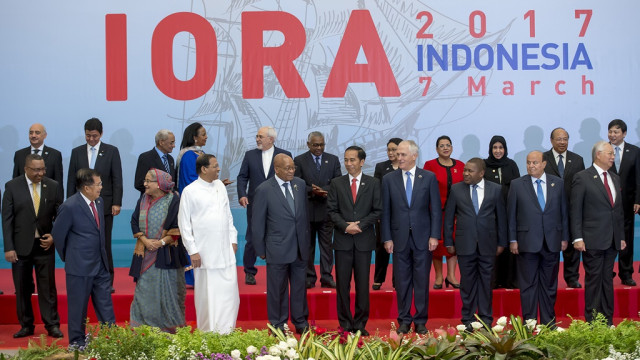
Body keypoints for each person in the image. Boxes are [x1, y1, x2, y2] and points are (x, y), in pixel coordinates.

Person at [381, 140, 441, 335]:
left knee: (422, 280)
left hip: (423, 238)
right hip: (399, 239)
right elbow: (386, 212)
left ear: (414, 156)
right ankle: (404, 320)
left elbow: (436, 211)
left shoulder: (429, 178)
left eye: (403, 155)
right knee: (403, 281)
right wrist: (387, 238)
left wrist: (434, 235)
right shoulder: (389, 179)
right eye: (398, 155)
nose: (399, 158)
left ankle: (421, 320)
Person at [52, 168, 116, 347]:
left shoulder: (100, 202)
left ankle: (111, 339)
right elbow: (58, 235)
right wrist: (70, 257)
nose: (101, 187)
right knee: (78, 308)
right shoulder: (70, 206)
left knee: (106, 306)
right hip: (79, 267)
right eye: (99, 184)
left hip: (101, 265)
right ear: (86, 188)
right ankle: (77, 342)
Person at [3, 154, 64, 338]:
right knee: (22, 288)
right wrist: (9, 247)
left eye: (43, 169)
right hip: (20, 248)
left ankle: (52, 324)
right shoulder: (12, 187)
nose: (41, 173)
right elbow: (7, 220)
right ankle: (26, 325)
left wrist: (54, 236)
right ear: (26, 169)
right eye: (37, 170)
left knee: (47, 288)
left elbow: (60, 216)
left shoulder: (52, 186)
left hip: (44, 246)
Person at [178, 154, 239, 333]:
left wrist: (233, 239)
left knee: (230, 297)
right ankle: (209, 335)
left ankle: (228, 332)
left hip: (226, 253)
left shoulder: (220, 186)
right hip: (204, 255)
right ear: (204, 169)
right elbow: (184, 224)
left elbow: (227, 215)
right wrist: (193, 250)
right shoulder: (190, 191)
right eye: (215, 166)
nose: (219, 169)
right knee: (209, 299)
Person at [444, 158, 506, 328]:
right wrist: (448, 241)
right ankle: (468, 319)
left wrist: (502, 242)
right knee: (467, 283)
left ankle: (486, 318)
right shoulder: (456, 189)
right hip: (465, 244)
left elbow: (502, 218)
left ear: (481, 173)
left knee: (486, 282)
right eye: (465, 170)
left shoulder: (496, 189)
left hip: (488, 244)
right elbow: (449, 218)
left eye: (470, 171)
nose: (465, 173)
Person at [508, 151, 568, 325]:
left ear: (544, 164)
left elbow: (564, 212)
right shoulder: (517, 184)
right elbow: (511, 215)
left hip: (552, 241)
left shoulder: (558, 183)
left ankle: (549, 322)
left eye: (535, 163)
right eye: (528, 163)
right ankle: (530, 322)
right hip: (526, 242)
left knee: (549, 285)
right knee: (528, 285)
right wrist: (513, 240)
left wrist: (564, 237)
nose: (531, 166)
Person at [327, 146, 382, 336]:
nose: (348, 164)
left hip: (364, 240)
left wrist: (360, 225)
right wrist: (345, 226)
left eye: (352, 160)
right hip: (342, 241)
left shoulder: (373, 183)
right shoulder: (336, 183)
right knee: (342, 285)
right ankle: (344, 324)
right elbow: (331, 210)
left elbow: (377, 210)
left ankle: (359, 324)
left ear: (362, 161)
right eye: (346, 160)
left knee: (362, 284)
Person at [252, 154, 310, 334]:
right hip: (277, 248)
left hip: (300, 246)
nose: (292, 171)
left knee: (300, 288)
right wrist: (261, 250)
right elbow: (257, 222)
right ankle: (278, 324)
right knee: (277, 290)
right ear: (276, 169)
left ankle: (300, 321)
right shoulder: (264, 189)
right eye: (287, 168)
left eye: (293, 167)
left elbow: (303, 216)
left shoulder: (300, 184)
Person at [571, 141, 626, 325]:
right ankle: (593, 323)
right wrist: (577, 237)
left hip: (611, 240)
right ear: (598, 155)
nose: (613, 157)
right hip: (592, 240)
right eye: (610, 153)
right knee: (594, 281)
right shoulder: (582, 177)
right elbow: (576, 210)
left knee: (608, 281)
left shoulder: (615, 178)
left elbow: (617, 211)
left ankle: (608, 321)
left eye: (613, 154)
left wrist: (621, 237)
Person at [67, 118, 123, 292]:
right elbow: (71, 180)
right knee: (83, 243)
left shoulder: (111, 151)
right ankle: (85, 280)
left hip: (104, 206)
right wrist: (68, 203)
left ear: (101, 134)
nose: (91, 139)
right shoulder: (76, 152)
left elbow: (117, 179)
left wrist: (116, 202)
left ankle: (107, 282)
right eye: (88, 135)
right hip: (80, 206)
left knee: (104, 244)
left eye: (94, 136)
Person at [129, 169, 187, 333]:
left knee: (168, 295)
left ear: (160, 184)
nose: (145, 184)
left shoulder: (173, 200)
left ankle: (167, 331)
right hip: (145, 253)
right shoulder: (142, 200)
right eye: (145, 180)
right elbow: (134, 221)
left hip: (167, 256)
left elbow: (177, 227)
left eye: (149, 181)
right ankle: (143, 330)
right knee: (143, 293)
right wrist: (146, 241)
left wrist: (160, 242)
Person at [237, 126, 292, 285]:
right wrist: (242, 194)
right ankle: (249, 272)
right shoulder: (250, 155)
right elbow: (242, 177)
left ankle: (281, 269)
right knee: (253, 237)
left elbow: (290, 178)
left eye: (260, 136)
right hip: (255, 204)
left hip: (279, 204)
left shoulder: (285, 155)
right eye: (257, 136)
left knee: (280, 237)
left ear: (271, 139)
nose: (257, 139)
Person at [294, 131, 341, 289]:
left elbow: (338, 182)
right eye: (315, 145)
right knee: (307, 247)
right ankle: (309, 277)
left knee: (327, 247)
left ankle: (327, 277)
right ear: (308, 144)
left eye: (321, 144)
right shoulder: (299, 160)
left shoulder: (333, 160)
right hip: (307, 211)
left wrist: (323, 190)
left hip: (326, 211)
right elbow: (296, 184)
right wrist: (311, 190)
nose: (319, 147)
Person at [543, 128, 585, 289]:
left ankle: (572, 277)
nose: (562, 142)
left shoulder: (577, 160)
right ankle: (550, 278)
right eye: (559, 139)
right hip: (550, 210)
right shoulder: (543, 159)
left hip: (572, 209)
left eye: (565, 139)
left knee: (573, 246)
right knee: (551, 246)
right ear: (552, 140)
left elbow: (582, 185)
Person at [423, 135, 463, 289]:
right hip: (436, 212)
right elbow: (425, 188)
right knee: (438, 245)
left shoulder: (460, 164)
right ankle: (439, 276)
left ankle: (452, 276)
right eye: (442, 145)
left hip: (456, 213)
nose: (445, 148)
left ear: (452, 148)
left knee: (453, 243)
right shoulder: (430, 165)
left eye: (448, 145)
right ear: (436, 149)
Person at [483, 135, 520, 289]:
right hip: (490, 214)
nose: (498, 151)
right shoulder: (484, 165)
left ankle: (509, 280)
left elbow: (518, 187)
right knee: (493, 248)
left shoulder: (511, 164)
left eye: (501, 147)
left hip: (509, 212)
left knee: (509, 247)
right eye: (495, 148)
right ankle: (493, 280)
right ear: (490, 149)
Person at [607, 119, 640, 286]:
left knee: (626, 238)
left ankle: (626, 273)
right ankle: (607, 271)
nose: (612, 135)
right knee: (607, 237)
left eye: (616, 132)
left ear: (624, 134)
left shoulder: (634, 151)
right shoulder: (602, 149)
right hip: (606, 202)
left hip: (627, 202)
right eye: (610, 131)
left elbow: (639, 178)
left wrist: (638, 200)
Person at [372, 138, 402, 290]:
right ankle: (378, 278)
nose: (390, 153)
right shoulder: (381, 167)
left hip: (402, 216)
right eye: (388, 150)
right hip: (384, 214)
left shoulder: (406, 167)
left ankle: (398, 281)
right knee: (382, 247)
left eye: (394, 150)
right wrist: (378, 214)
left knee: (400, 249)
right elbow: (376, 192)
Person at [13, 123, 64, 194]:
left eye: (37, 133)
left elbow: (58, 183)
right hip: (24, 200)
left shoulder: (55, 155)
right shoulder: (19, 154)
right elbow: (15, 181)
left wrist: (59, 204)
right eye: (31, 133)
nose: (33, 135)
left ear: (45, 135)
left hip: (47, 199)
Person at [134, 130, 177, 195]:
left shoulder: (171, 159)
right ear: (161, 142)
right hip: (151, 202)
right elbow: (139, 184)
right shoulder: (146, 157)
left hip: (168, 202)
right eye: (171, 143)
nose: (174, 146)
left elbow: (171, 182)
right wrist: (159, 192)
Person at [177, 122, 207, 194]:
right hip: (192, 197)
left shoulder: (202, 153)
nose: (206, 137)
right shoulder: (188, 155)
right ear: (195, 138)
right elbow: (190, 180)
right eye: (203, 135)